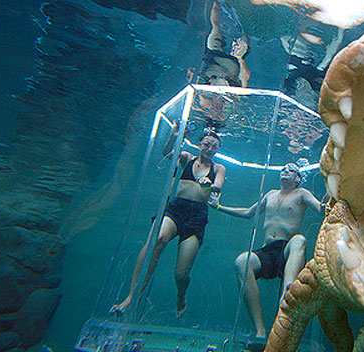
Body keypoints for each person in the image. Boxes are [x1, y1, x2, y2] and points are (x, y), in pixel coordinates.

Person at [110, 126, 226, 318]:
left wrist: (210, 185)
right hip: (176, 209)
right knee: (158, 238)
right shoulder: (187, 158)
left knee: (181, 274)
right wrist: (173, 136)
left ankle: (181, 295)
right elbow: (167, 153)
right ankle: (131, 296)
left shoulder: (218, 168)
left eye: (215, 146)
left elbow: (218, 186)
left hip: (197, 216)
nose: (210, 148)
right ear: (200, 144)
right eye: (207, 143)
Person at [208, 162, 326, 350]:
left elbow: (321, 209)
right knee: (242, 261)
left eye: (290, 170)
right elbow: (248, 213)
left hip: (288, 250)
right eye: (283, 169)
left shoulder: (302, 194)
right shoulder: (270, 195)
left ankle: (286, 293)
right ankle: (260, 331)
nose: (285, 172)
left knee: (300, 240)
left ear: (297, 178)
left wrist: (330, 194)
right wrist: (219, 206)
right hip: (267, 251)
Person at [198, 0, 251, 87]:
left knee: (215, 27)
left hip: (216, 60)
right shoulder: (234, 95)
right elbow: (246, 76)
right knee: (245, 35)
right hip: (230, 64)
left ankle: (215, 3)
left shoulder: (204, 94)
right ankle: (247, 9)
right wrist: (240, 59)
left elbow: (246, 76)